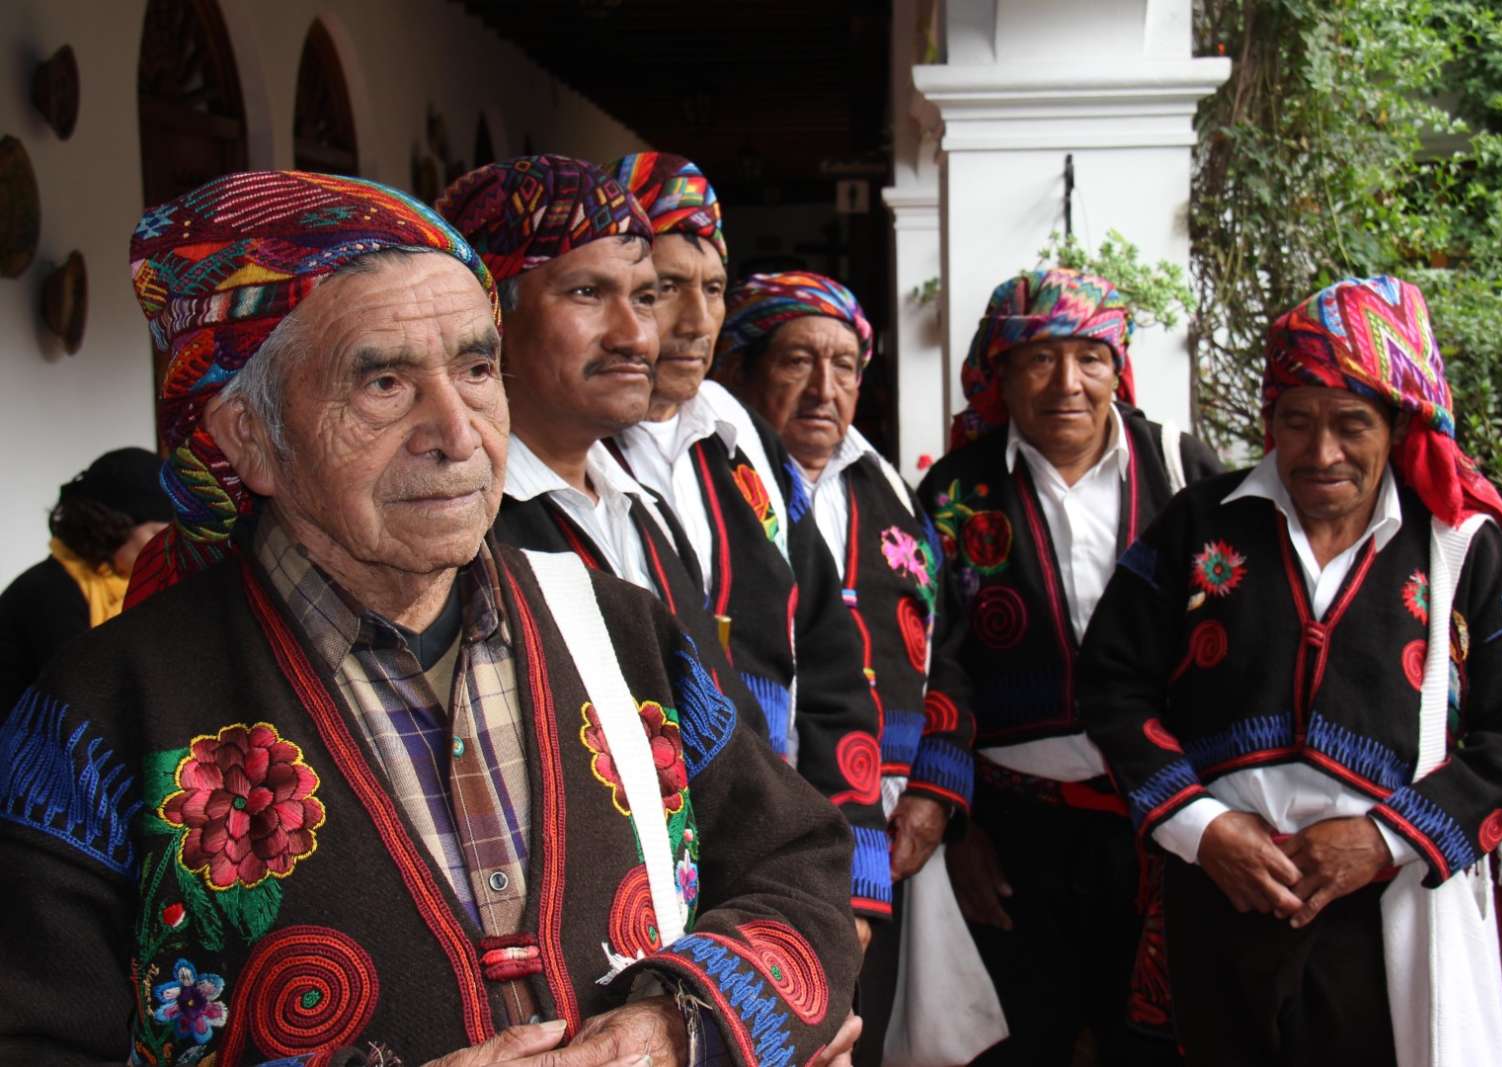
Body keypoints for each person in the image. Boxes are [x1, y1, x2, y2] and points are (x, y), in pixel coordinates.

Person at [0, 170, 861, 1066]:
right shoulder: (100, 714)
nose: (457, 430)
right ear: (249, 437)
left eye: (477, 367)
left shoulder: (617, 628)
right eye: (382, 382)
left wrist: (673, 1028)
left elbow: (796, 861)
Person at [1080, 276, 1502, 1067]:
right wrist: (1203, 829)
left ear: (1398, 424)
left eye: (1351, 424)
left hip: (1390, 909)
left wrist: (1381, 841)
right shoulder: (1199, 524)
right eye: (1295, 421)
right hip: (1220, 894)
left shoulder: (1460, 549)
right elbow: (1110, 682)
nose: (1320, 452)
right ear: (1268, 420)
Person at [438, 156, 891, 931]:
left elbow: (729, 738)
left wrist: (822, 914)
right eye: (587, 293)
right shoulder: (465, 533)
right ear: (491, 321)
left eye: (643, 297)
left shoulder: (638, 505)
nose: (637, 333)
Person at [917, 267, 1221, 1065]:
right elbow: (931, 662)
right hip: (1015, 837)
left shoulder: (1187, 474)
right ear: (1000, 371)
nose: (1067, 383)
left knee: (1160, 1043)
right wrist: (960, 826)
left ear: (1119, 369)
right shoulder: (955, 492)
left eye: (1089, 356)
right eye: (1038, 358)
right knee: (1024, 1042)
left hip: (1167, 826)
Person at [718, 271, 978, 1067]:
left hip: (890, 834)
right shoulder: (715, 482)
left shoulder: (894, 491)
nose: (825, 389)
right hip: (751, 830)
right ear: (745, 369)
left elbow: (952, 652)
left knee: (874, 1035)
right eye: (799, 360)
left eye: (845, 366)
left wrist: (935, 793)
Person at [0, 447, 169, 711]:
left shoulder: (130, 584)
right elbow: (81, 698)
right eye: (156, 534)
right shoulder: (50, 592)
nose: (166, 547)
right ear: (115, 527)